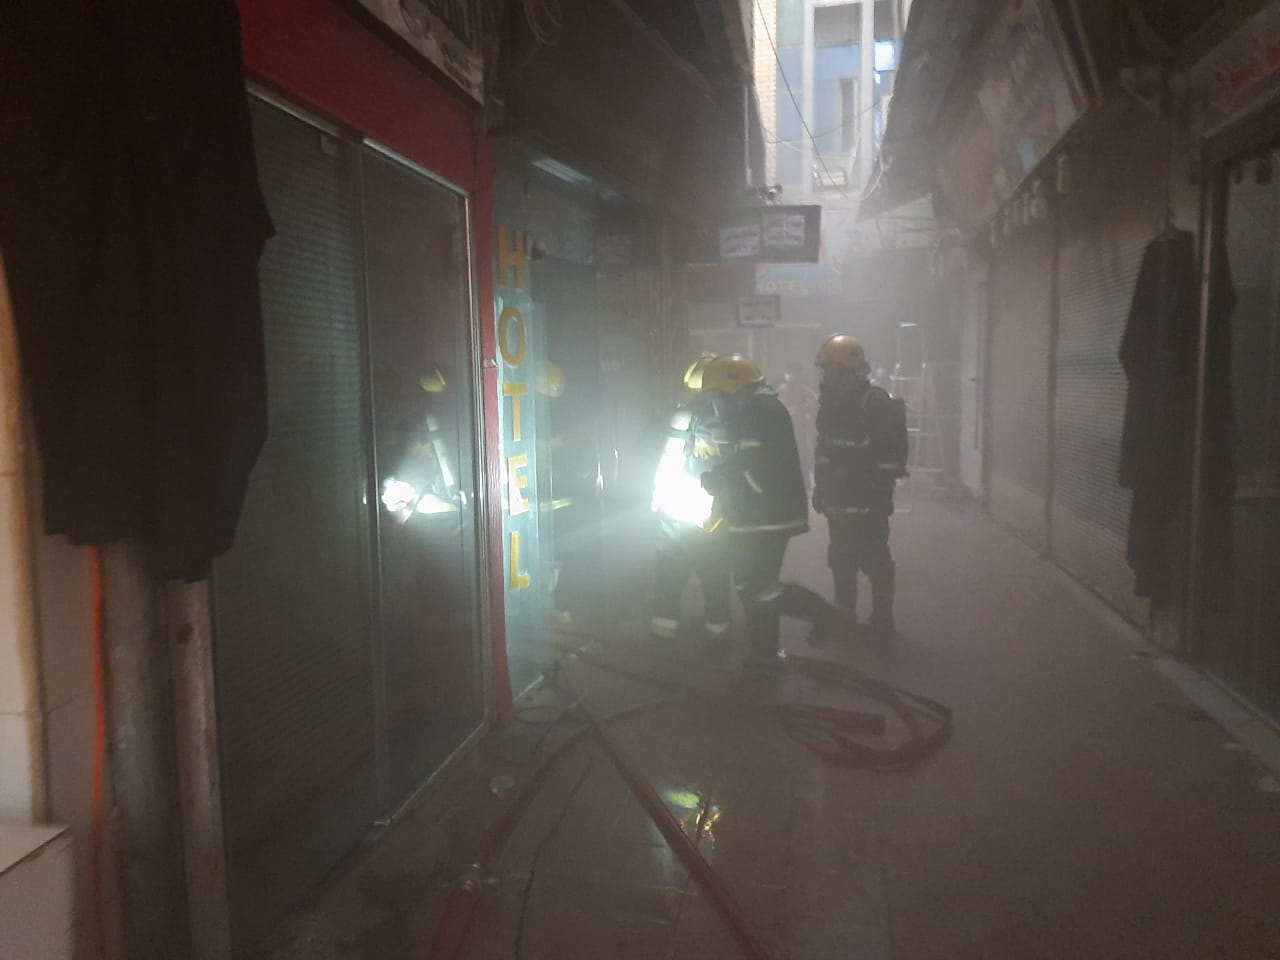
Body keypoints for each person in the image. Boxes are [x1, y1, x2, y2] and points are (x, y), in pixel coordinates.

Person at [699, 355, 808, 669]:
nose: (716, 406)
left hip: (768, 516)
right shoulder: (756, 410)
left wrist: (718, 478)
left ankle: (810, 619)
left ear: (734, 389)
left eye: (717, 398)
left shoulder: (761, 411)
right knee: (753, 586)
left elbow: (752, 466)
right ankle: (764, 654)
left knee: (759, 587)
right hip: (760, 516)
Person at [812, 334, 907, 636]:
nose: (826, 378)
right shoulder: (829, 406)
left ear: (849, 372)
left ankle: (882, 621)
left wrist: (878, 495)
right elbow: (824, 451)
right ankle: (845, 618)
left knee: (875, 560)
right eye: (824, 372)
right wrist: (820, 488)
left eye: (831, 372)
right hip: (838, 501)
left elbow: (889, 457)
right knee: (841, 560)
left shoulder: (875, 403)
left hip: (868, 503)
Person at [650, 354, 732, 644]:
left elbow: (666, 461)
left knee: (670, 571)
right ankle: (717, 627)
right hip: (715, 512)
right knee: (715, 572)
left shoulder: (681, 418)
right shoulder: (731, 420)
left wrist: (656, 500)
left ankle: (664, 625)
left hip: (676, 509)